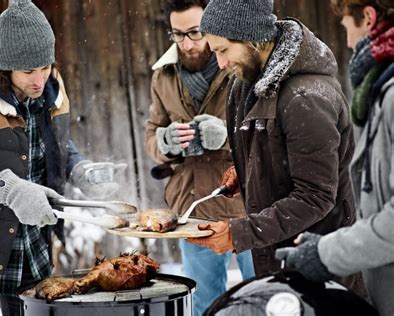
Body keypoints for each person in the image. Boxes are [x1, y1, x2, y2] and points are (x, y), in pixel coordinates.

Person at [0, 0, 121, 315]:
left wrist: (81, 171)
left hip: (32, 246)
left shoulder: (49, 89)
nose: (39, 79)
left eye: (45, 67)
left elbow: (57, 145)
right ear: (6, 66)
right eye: (28, 71)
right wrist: (8, 188)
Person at [186, 0, 365, 294]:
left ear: (252, 38)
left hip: (320, 268)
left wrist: (237, 233)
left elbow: (316, 196)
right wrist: (245, 170)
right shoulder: (244, 85)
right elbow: (276, 150)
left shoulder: (306, 99)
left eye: (223, 50)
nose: (220, 64)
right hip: (278, 262)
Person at [275, 1, 394, 315]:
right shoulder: (382, 92)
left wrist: (325, 254)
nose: (349, 43)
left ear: (368, 17)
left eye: (346, 28)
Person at [144, 1, 255, 314]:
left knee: (265, 294)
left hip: (248, 204)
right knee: (203, 305)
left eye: (195, 32)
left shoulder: (239, 65)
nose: (187, 44)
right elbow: (152, 134)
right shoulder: (163, 75)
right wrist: (165, 144)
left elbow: (266, 135)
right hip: (194, 208)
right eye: (178, 35)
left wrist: (226, 135)